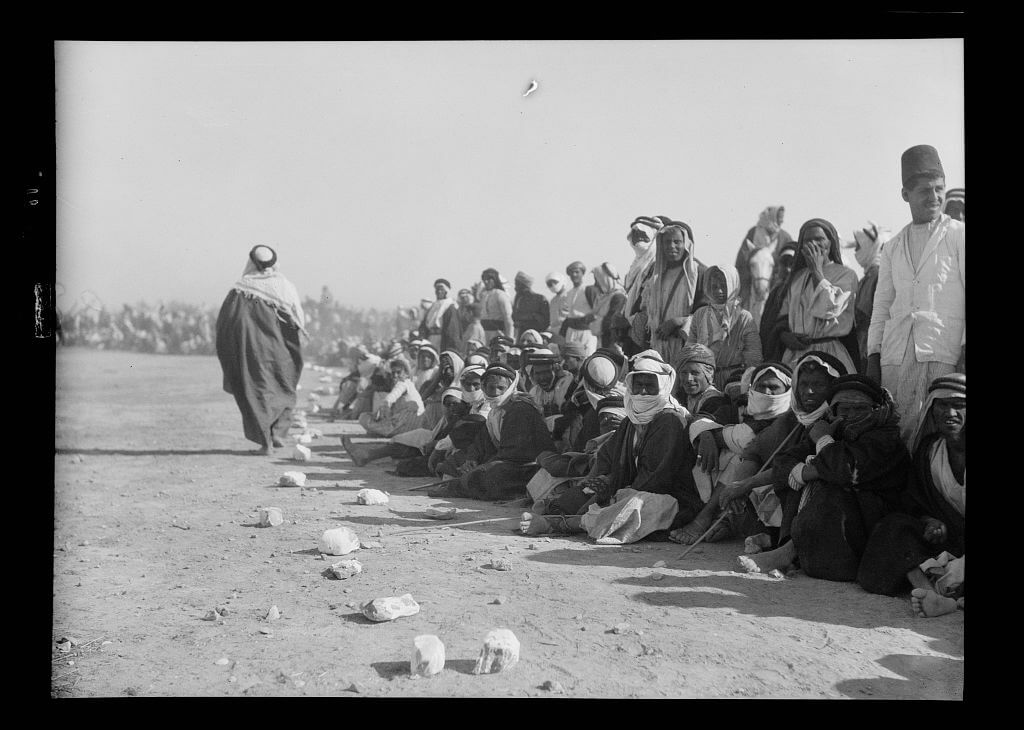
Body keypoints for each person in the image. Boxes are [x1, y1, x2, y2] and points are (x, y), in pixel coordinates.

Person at [737, 374, 911, 582]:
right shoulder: (835, 428)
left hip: (873, 523)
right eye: (845, 409)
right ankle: (788, 548)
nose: (852, 415)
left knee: (830, 485)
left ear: (875, 409)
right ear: (835, 411)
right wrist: (802, 470)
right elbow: (784, 461)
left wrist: (821, 443)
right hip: (843, 520)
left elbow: (842, 469)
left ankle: (788, 552)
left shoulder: (885, 438)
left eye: (860, 409)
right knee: (798, 477)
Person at [520, 350, 702, 544]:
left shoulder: (670, 421)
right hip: (629, 487)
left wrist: (615, 491)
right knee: (583, 493)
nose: (642, 392)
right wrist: (597, 484)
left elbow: (657, 479)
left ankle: (559, 525)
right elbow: (608, 456)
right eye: (638, 385)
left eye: (649, 386)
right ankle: (565, 515)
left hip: (668, 498)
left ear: (663, 386)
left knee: (632, 506)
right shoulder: (631, 419)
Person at [866, 145, 965, 445]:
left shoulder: (958, 235)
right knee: (898, 434)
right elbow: (882, 307)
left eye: (939, 189)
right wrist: (873, 356)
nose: (934, 198)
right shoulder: (893, 246)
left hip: (942, 351)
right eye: (924, 191)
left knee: (938, 436)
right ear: (905, 194)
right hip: (896, 356)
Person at [857, 374, 965, 616]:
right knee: (895, 527)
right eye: (942, 405)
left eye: (959, 405)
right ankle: (931, 594)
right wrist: (931, 522)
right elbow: (914, 502)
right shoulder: (929, 450)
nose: (950, 413)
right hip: (952, 541)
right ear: (931, 410)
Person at [669, 362, 798, 546]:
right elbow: (703, 419)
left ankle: (706, 518)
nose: (767, 392)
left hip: (770, 483)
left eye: (774, 387)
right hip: (733, 484)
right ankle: (720, 518)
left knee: (739, 459)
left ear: (787, 390)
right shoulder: (739, 409)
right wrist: (706, 435)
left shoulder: (792, 419)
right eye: (762, 386)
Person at [215, 245, 306, 454]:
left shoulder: (241, 288)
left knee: (256, 389)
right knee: (283, 385)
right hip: (280, 349)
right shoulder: (285, 286)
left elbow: (227, 322)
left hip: (251, 350)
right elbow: (298, 319)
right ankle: (277, 434)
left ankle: (267, 442)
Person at [428, 363, 556, 500]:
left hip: (527, 467)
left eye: (501, 388)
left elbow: (515, 453)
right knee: (460, 459)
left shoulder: (520, 409)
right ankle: (461, 484)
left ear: (510, 388)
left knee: (493, 474)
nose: (495, 392)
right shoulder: (494, 412)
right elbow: (482, 441)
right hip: (505, 460)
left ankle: (457, 487)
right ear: (484, 387)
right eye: (491, 387)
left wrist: (484, 465)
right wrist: (472, 458)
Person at [767, 218, 860, 375]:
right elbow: (782, 318)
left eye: (819, 239)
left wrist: (816, 270)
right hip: (795, 355)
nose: (814, 244)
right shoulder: (796, 279)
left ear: (831, 242)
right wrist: (785, 336)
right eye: (808, 240)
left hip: (830, 353)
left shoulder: (846, 275)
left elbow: (830, 309)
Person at [639, 220, 708, 367]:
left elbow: (708, 312)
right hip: (658, 348)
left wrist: (679, 321)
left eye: (677, 242)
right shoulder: (656, 275)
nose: (671, 246)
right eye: (667, 242)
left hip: (687, 349)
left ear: (687, 244)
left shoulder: (699, 273)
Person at [688, 265, 762, 389]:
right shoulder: (700, 314)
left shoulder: (743, 317)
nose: (719, 291)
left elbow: (753, 357)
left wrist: (745, 384)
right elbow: (690, 349)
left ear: (733, 285)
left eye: (724, 286)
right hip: (704, 381)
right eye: (714, 287)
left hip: (734, 380)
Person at [735, 206, 794, 324]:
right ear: (772, 217)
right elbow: (742, 256)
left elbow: (790, 257)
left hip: (776, 279)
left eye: (782, 218)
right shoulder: (753, 232)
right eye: (779, 218)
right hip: (752, 277)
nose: (782, 221)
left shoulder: (784, 237)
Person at [849, 223, 888, 374]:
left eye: (859, 246)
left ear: (871, 246)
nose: (855, 251)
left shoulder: (878, 275)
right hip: (862, 345)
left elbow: (867, 315)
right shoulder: (867, 277)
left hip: (871, 347)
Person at [356, 358, 425, 438]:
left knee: (363, 417)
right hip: (416, 424)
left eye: (398, 372)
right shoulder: (409, 384)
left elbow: (389, 399)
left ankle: (385, 432)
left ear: (406, 373)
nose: (395, 375)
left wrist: (382, 412)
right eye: (393, 373)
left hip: (407, 425)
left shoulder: (402, 383)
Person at [673, 343, 735, 424]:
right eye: (684, 373)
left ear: (709, 374)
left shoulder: (717, 402)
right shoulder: (681, 395)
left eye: (695, 373)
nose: (688, 379)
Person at [758, 241, 798, 361]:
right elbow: (766, 327)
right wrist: (779, 333)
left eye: (792, 264)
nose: (787, 269)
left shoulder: (804, 289)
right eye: (784, 264)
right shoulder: (775, 293)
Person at [622, 216, 661, 336]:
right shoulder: (635, 265)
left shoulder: (657, 263)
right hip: (633, 325)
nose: (638, 238)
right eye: (635, 235)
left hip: (650, 325)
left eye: (643, 234)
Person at [524, 348, 575, 429]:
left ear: (555, 370)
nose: (542, 378)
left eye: (546, 372)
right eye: (538, 373)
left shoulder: (568, 385)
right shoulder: (534, 392)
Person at [557, 261, 599, 357]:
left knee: (587, 356)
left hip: (586, 330)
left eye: (577, 272)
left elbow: (597, 311)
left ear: (582, 273)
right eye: (571, 273)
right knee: (570, 358)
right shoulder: (568, 293)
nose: (574, 275)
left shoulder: (588, 290)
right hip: (571, 330)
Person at [588, 262, 627, 349]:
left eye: (597, 280)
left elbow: (609, 323)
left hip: (613, 345)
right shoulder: (604, 297)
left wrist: (594, 321)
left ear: (605, 279)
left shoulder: (618, 297)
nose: (595, 284)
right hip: (603, 341)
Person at [419, 279, 456, 353]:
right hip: (430, 338)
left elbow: (451, 329)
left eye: (441, 289)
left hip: (442, 339)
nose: (439, 292)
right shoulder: (433, 306)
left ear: (446, 291)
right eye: (437, 289)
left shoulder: (450, 306)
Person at [511, 271, 550, 340]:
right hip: (520, 335)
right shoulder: (519, 299)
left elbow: (545, 321)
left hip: (536, 335)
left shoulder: (540, 299)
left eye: (517, 284)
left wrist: (530, 317)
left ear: (524, 285)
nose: (515, 287)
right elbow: (514, 316)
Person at [478, 268, 515, 342]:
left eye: (489, 279)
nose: (486, 282)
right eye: (484, 279)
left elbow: (508, 318)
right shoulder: (483, 295)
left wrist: (509, 338)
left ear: (495, 280)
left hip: (498, 333)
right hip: (484, 334)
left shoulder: (501, 295)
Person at [545, 271, 569, 346]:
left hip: (566, 332)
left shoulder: (568, 296)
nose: (553, 285)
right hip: (554, 333)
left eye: (555, 282)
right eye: (550, 284)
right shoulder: (553, 300)